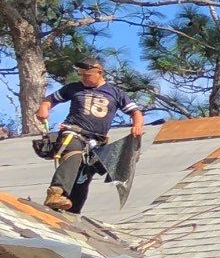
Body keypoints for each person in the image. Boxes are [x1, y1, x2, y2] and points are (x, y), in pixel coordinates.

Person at [35, 59, 142, 212]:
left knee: (83, 177)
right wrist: (44, 108)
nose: (84, 78)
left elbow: (135, 112)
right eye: (81, 75)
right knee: (73, 155)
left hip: (96, 142)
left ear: (100, 73)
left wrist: (137, 126)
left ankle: (72, 212)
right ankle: (55, 193)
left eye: (88, 75)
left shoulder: (115, 93)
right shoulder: (73, 88)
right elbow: (49, 100)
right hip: (73, 132)